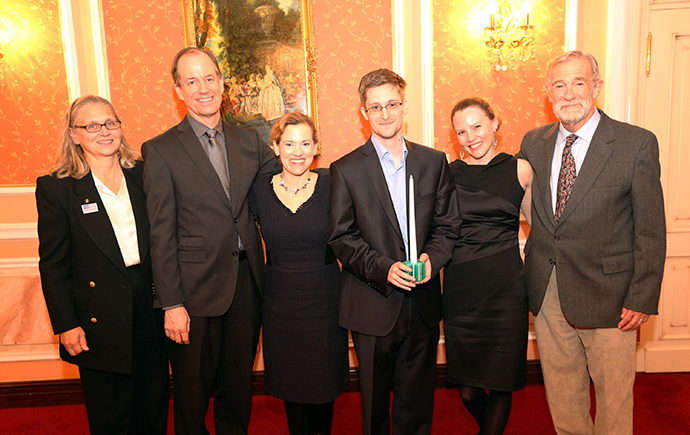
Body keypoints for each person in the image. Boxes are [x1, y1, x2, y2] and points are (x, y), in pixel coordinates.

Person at [518, 50, 666, 434]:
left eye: (578, 83)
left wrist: (642, 296)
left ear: (596, 87)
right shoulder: (534, 142)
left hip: (612, 297)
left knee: (614, 400)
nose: (568, 94)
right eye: (559, 85)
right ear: (548, 93)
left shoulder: (635, 144)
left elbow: (650, 229)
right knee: (563, 393)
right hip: (548, 290)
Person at [141, 47, 281, 434]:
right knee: (192, 394)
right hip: (193, 293)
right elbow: (161, 233)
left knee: (238, 389)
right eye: (191, 81)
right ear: (178, 90)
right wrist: (171, 303)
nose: (202, 88)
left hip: (246, 285)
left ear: (222, 83)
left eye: (208, 78)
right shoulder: (161, 150)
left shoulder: (249, 141)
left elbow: (288, 176)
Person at [328, 68, 460, 435]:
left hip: (423, 302)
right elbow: (341, 236)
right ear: (363, 112)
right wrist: (384, 268)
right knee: (373, 406)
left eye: (392, 105)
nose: (385, 114)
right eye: (375, 107)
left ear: (404, 107)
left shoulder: (433, 162)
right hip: (372, 303)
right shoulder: (346, 169)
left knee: (417, 403)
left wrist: (432, 260)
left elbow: (448, 225)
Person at [36, 95, 169, 434]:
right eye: (92, 126)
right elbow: (54, 264)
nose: (104, 131)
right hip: (98, 315)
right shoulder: (57, 188)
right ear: (74, 135)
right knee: (113, 415)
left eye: (110, 123)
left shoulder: (142, 174)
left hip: (149, 305)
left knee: (153, 407)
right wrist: (66, 324)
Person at [249, 112, 350, 435]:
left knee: (323, 385)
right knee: (291, 386)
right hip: (279, 302)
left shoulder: (334, 183)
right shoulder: (258, 190)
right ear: (275, 147)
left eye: (305, 143)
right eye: (289, 143)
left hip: (325, 298)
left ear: (316, 146)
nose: (297, 151)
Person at [443, 97, 533, 434]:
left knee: (500, 383)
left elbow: (540, 227)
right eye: (461, 131)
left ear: (495, 123)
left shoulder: (520, 169)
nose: (471, 137)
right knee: (467, 390)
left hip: (506, 288)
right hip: (460, 289)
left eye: (477, 126)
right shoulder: (447, 174)